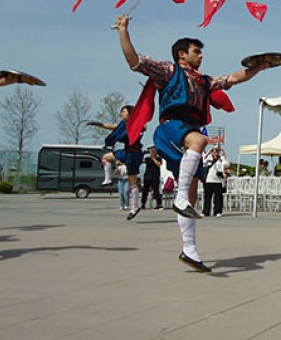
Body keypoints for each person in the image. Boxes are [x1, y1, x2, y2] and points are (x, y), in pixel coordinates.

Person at [114, 14, 272, 273]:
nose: (201, 56)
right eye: (196, 52)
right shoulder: (168, 71)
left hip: (188, 131)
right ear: (181, 55)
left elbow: (233, 78)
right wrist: (123, 31)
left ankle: (189, 250)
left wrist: (258, 68)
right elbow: (135, 61)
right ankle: (178, 199)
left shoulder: (204, 80)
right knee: (200, 141)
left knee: (191, 195)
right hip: (172, 127)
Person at [92, 105, 144, 221]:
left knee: (132, 182)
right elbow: (113, 127)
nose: (121, 113)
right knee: (105, 157)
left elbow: (142, 126)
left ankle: (134, 207)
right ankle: (108, 179)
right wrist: (100, 125)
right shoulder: (122, 124)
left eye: (124, 111)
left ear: (130, 113)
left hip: (133, 154)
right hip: (126, 152)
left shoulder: (136, 124)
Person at [203, 147, 228, 217]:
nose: (215, 153)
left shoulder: (221, 160)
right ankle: (206, 211)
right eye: (213, 152)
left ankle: (218, 211)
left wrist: (223, 153)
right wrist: (209, 152)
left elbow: (226, 163)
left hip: (218, 181)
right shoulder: (209, 160)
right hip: (209, 180)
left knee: (218, 198)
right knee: (207, 197)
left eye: (216, 152)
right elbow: (203, 160)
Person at [141, 146, 163, 210]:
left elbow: (159, 164)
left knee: (156, 191)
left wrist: (154, 158)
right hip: (147, 177)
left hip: (155, 177)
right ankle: (143, 203)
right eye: (151, 151)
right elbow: (142, 161)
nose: (152, 152)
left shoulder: (158, 158)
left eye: (153, 151)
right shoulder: (147, 159)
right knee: (145, 191)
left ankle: (159, 204)